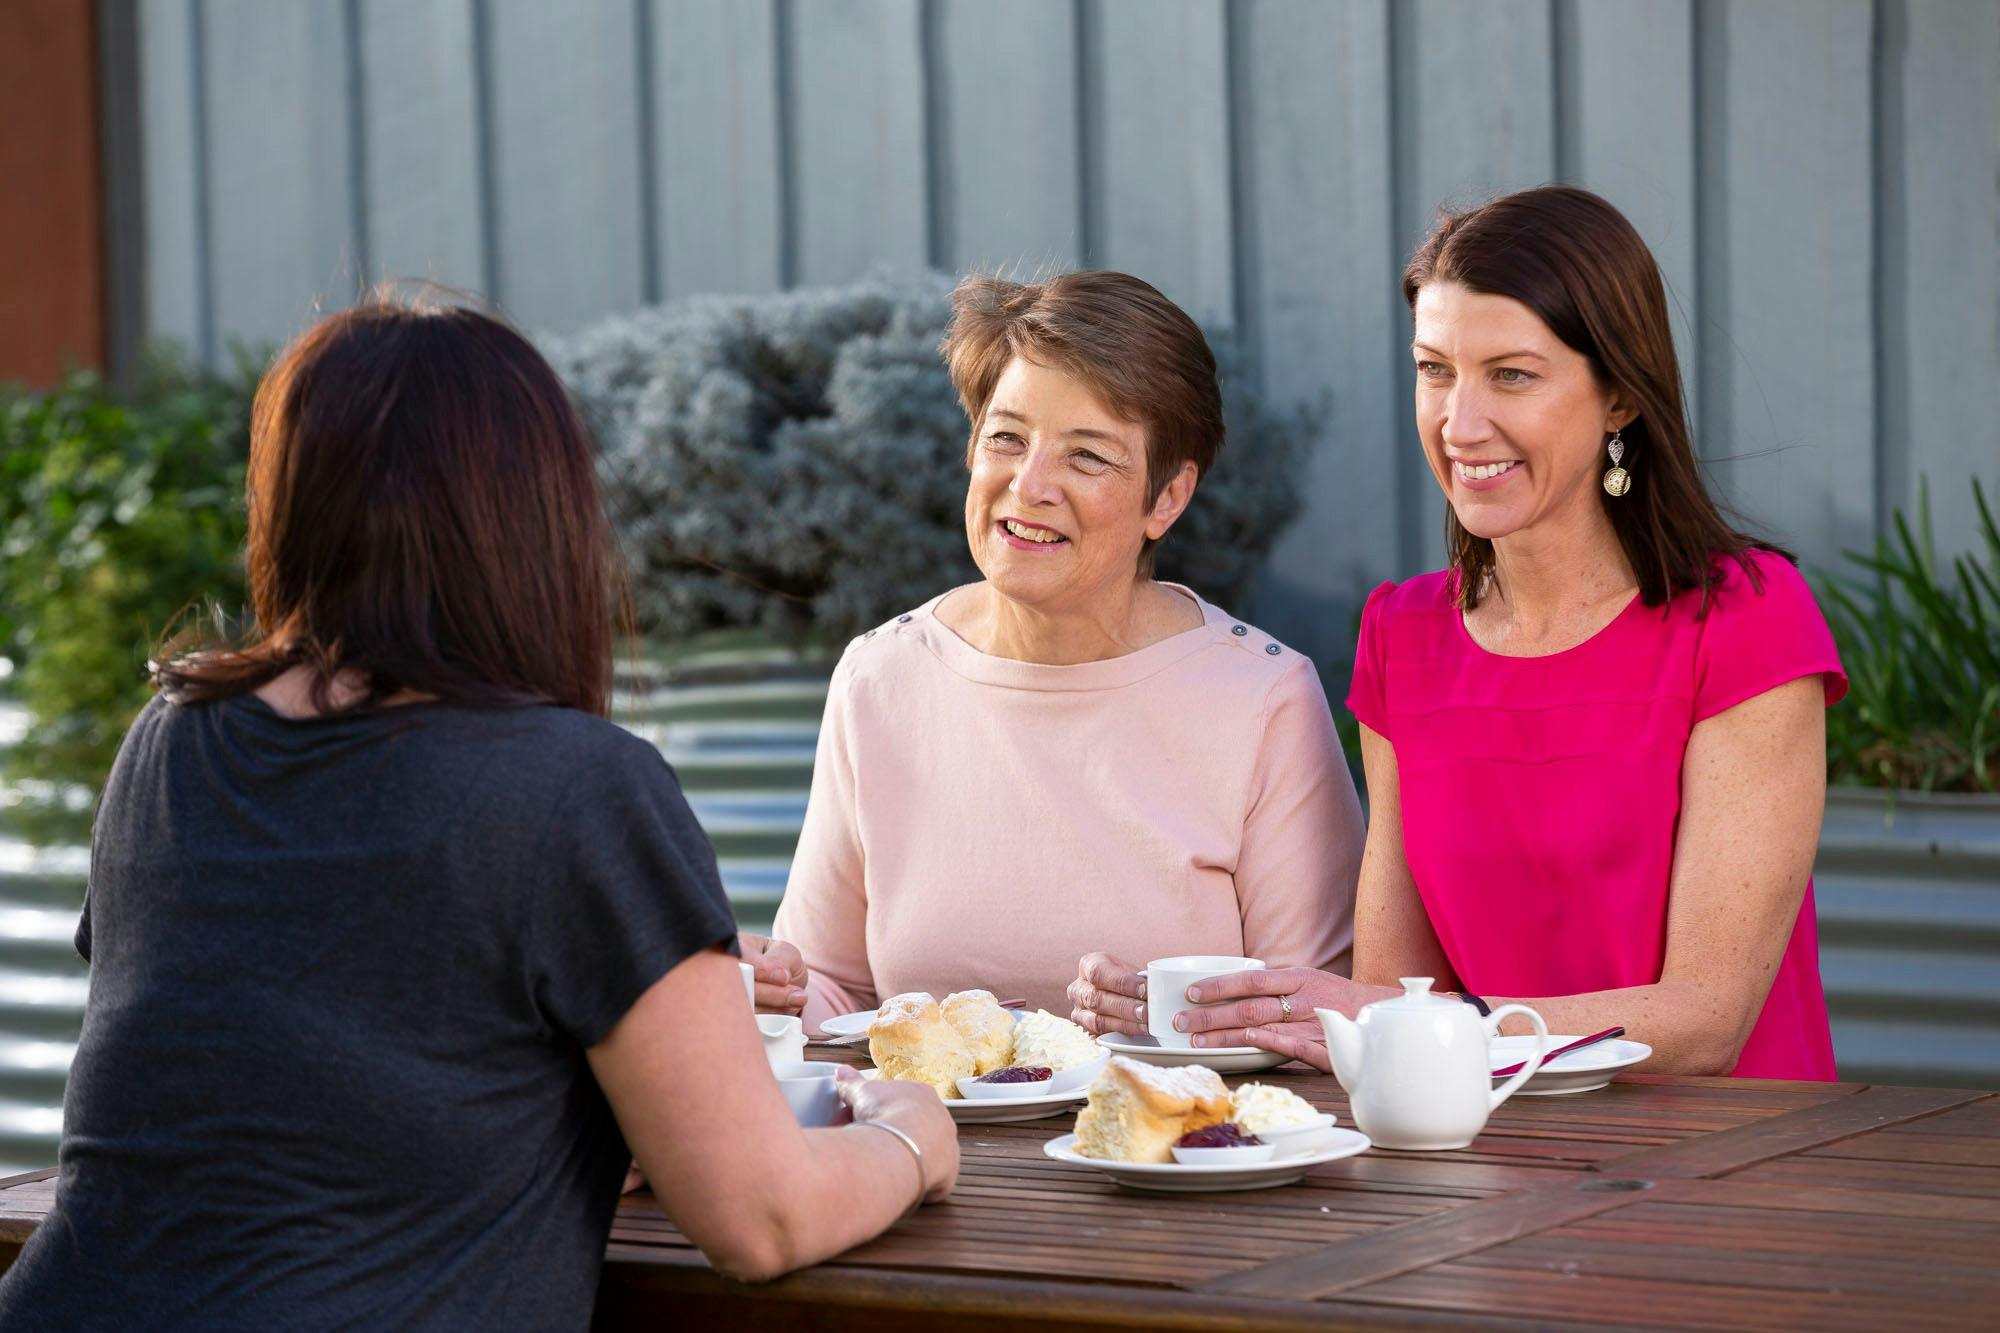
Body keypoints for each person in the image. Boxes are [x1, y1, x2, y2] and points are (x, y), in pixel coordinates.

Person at [0, 291, 956, 1330]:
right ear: (536, 517)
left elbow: (279, 1068)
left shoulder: (178, 737)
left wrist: (636, 1019)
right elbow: (760, 1219)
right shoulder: (574, 785)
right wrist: (909, 1139)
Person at [1074, 187, 1846, 1080]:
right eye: (1435, 368)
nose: (1459, 422)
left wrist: (1391, 1020)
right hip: (1480, 1175)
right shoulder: (1404, 637)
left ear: (1621, 399)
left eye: (1511, 374)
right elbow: (1391, 995)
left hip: (1737, 1183)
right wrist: (1228, 1014)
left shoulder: (1746, 618)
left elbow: (1705, 1019)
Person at [772, 270, 1364, 1032]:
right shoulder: (880, 679)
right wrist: (764, 989)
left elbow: (1313, 1006)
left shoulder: (1265, 697)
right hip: (933, 1144)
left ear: (1168, 498)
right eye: (1006, 438)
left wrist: (1181, 1025)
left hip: (1175, 1143)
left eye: (1087, 456)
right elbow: (828, 988)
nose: (1030, 483)